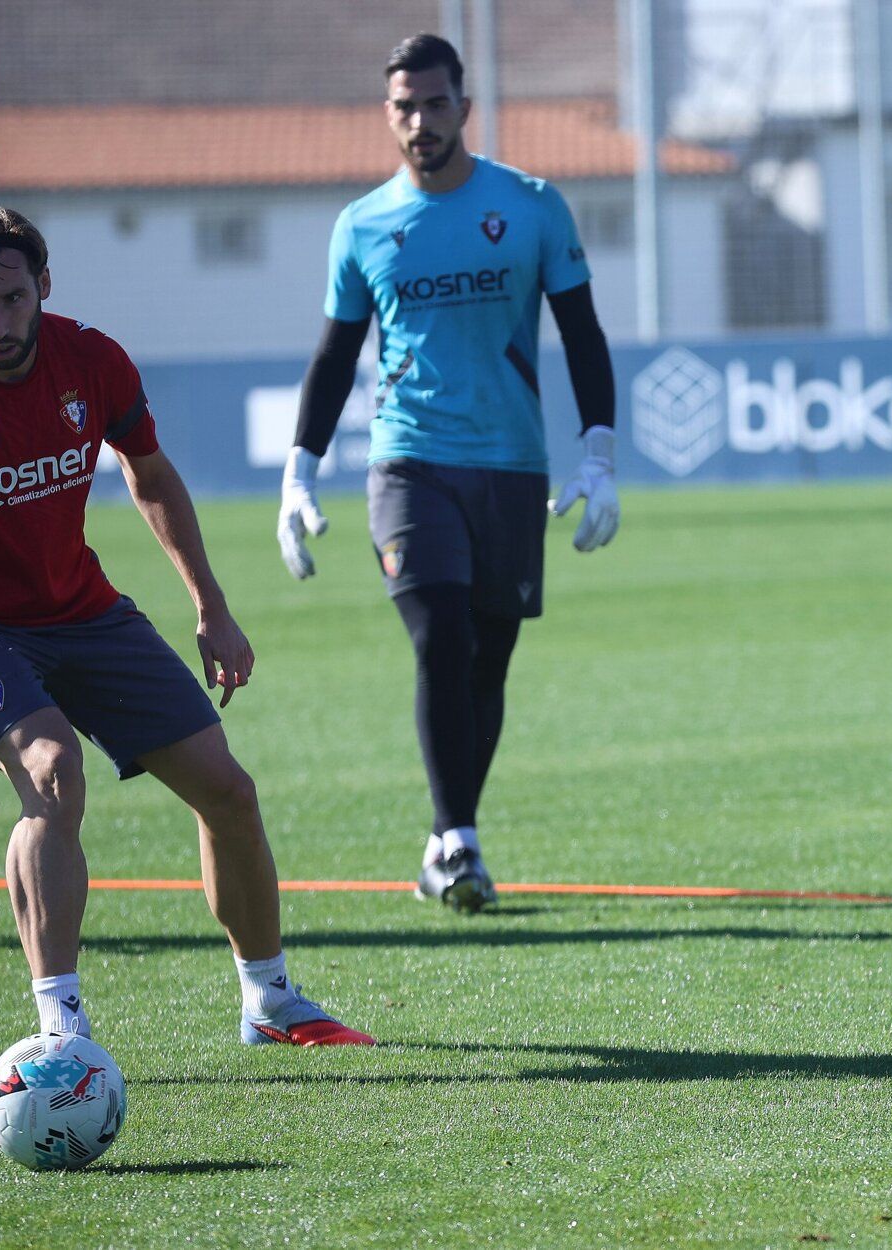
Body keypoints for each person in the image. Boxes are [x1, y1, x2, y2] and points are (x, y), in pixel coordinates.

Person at [0, 207, 372, 1047]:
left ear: (43, 287)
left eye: (11, 299)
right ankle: (61, 1027)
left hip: (82, 610)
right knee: (53, 772)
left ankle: (269, 1001)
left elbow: (151, 476)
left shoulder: (92, 362)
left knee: (228, 792)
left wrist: (211, 607)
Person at [277, 33, 619, 912]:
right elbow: (332, 356)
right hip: (408, 461)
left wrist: (599, 453)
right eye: (404, 107)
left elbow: (582, 334)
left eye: (435, 104)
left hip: (510, 466)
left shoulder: (533, 207)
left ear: (463, 107)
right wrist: (299, 474)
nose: (420, 121)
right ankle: (460, 842)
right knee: (442, 636)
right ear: (386, 115)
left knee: (488, 661)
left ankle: (445, 839)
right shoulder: (362, 226)